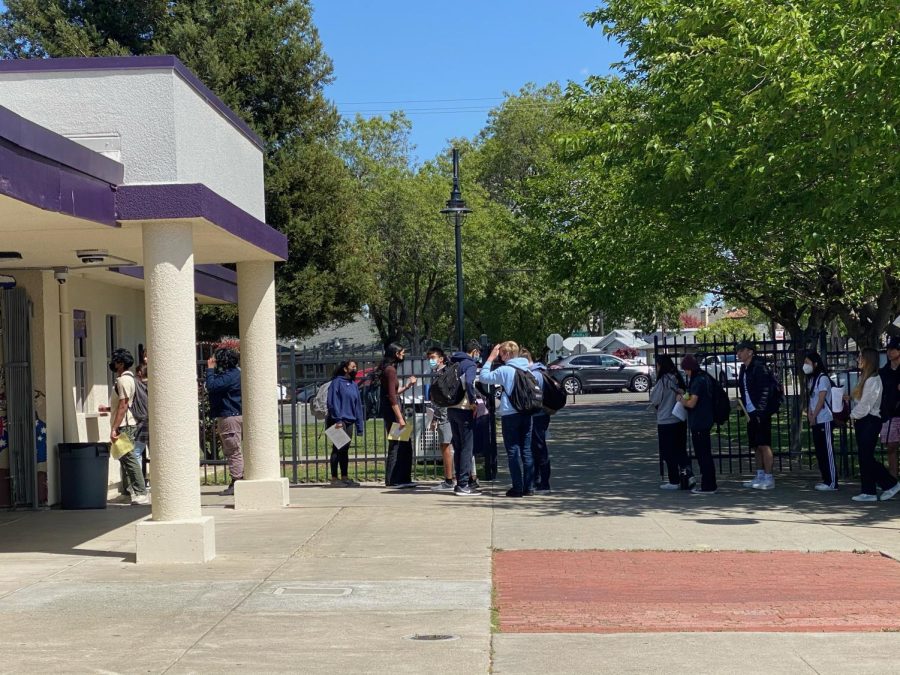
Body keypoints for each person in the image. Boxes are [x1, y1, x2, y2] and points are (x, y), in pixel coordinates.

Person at [478, 341, 534, 497]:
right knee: (527, 450)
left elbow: (484, 377)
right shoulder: (527, 367)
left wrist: (490, 358)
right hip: (527, 412)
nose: (500, 357)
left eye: (502, 353)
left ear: (508, 354)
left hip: (510, 414)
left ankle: (517, 487)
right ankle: (529, 487)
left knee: (513, 451)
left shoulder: (505, 370)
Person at [848, 348, 900, 503]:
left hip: (870, 421)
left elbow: (866, 406)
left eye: (861, 357)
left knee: (866, 457)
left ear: (868, 359)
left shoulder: (873, 380)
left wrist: (850, 416)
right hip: (863, 421)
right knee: (864, 457)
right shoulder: (866, 378)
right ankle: (868, 490)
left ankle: (890, 483)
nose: (858, 360)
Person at [101, 348, 149, 505]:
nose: (113, 364)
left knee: (129, 459)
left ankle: (141, 492)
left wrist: (114, 427)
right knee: (124, 458)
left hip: (125, 425)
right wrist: (108, 410)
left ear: (120, 364)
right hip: (126, 423)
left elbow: (124, 404)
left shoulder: (123, 381)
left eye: (115, 361)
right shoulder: (129, 379)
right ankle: (129, 491)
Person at [736, 340, 777, 490]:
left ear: (750, 352)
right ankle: (760, 475)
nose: (738, 354)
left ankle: (769, 477)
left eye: (741, 350)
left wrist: (761, 410)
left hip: (761, 412)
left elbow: (765, 390)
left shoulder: (759, 367)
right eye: (738, 351)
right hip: (750, 412)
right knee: (756, 445)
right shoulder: (744, 369)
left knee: (764, 444)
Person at [649, 354, 693, 490]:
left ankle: (674, 480)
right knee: (680, 450)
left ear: (661, 366)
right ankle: (688, 475)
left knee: (668, 452)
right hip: (679, 418)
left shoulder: (663, 381)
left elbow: (654, 399)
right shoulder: (678, 378)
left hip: (666, 419)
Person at [676, 355, 717, 495]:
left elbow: (692, 403)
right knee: (704, 454)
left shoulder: (697, 380)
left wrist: (681, 400)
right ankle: (709, 484)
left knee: (703, 455)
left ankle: (708, 486)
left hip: (699, 421)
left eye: (686, 369)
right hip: (704, 420)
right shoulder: (704, 378)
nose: (685, 373)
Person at [378, 343, 417, 487]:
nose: (403, 355)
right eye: (402, 352)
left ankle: (402, 478)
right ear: (396, 354)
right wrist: (400, 418)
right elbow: (392, 397)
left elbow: (394, 391)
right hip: (393, 412)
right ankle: (394, 479)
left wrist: (407, 386)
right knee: (397, 444)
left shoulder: (389, 369)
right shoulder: (390, 370)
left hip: (393, 411)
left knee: (404, 444)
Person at [448, 339, 483, 496]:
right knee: (467, 448)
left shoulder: (453, 363)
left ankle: (460, 482)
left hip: (452, 408)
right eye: (478, 353)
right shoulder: (469, 364)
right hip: (464, 408)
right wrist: (473, 401)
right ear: (474, 351)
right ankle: (463, 484)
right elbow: (469, 383)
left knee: (459, 447)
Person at [206, 347, 243, 496]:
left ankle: (237, 481)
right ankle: (238, 477)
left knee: (232, 450)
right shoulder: (237, 374)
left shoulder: (229, 376)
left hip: (230, 416)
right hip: (236, 414)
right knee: (236, 449)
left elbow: (212, 386)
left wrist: (210, 370)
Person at [326, 360, 364, 487]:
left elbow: (357, 405)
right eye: (352, 366)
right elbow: (332, 402)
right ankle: (334, 478)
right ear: (345, 369)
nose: (355, 369)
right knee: (337, 448)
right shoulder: (336, 383)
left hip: (349, 421)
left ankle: (344, 476)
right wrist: (337, 420)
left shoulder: (353, 384)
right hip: (338, 421)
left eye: (356, 367)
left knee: (345, 449)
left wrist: (359, 425)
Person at [803, 351, 837, 491]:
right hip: (816, 419)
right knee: (820, 451)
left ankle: (832, 481)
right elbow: (812, 399)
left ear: (815, 364)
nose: (805, 365)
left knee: (827, 450)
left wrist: (815, 414)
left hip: (825, 419)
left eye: (807, 362)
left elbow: (822, 399)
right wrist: (810, 415)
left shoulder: (822, 378)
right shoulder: (811, 379)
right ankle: (825, 479)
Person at [521, 347, 552, 493]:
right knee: (536, 448)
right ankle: (538, 480)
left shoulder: (534, 374)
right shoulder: (540, 371)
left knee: (538, 448)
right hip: (541, 415)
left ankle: (543, 482)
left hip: (536, 415)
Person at [425, 347, 456, 492]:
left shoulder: (442, 374)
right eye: (429, 358)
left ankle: (449, 480)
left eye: (433, 357)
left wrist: (436, 416)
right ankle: (455, 477)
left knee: (445, 446)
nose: (431, 361)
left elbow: (441, 398)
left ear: (441, 358)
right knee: (450, 446)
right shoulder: (441, 373)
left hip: (444, 414)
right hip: (445, 413)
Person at [878, 336, 900, 478]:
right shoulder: (883, 372)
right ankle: (893, 478)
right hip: (889, 414)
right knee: (891, 446)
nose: (890, 352)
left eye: (894, 349)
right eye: (889, 349)